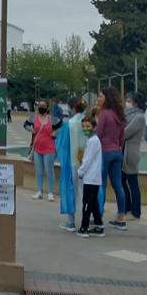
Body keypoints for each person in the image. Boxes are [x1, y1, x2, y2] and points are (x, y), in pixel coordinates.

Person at [96, 86, 127, 230]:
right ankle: (121, 216)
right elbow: (122, 137)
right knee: (118, 185)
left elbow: (98, 134)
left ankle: (98, 215)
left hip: (104, 151)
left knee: (101, 184)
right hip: (117, 152)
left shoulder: (104, 114)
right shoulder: (119, 114)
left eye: (101, 96)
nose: (98, 99)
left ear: (107, 98)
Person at [57, 97, 88, 231]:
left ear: (73, 108)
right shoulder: (88, 122)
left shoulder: (69, 124)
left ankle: (71, 221)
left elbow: (61, 145)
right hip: (87, 164)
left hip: (72, 163)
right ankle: (88, 220)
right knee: (87, 191)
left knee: (71, 190)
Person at [76, 113, 105, 238]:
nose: (85, 129)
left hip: (90, 178)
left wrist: (80, 171)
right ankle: (99, 225)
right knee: (93, 203)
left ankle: (84, 227)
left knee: (87, 203)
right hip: (94, 178)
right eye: (83, 126)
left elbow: (87, 160)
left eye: (88, 126)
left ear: (94, 127)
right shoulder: (94, 140)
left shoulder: (93, 141)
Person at [24, 100, 57, 201]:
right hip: (37, 148)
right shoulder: (34, 117)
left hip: (49, 148)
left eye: (43, 105)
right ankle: (39, 191)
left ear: (47, 107)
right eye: (40, 105)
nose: (41, 107)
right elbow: (25, 124)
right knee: (38, 171)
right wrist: (31, 129)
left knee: (49, 170)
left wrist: (56, 133)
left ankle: (50, 193)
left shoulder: (52, 119)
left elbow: (62, 126)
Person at [122, 91, 146, 220]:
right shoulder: (126, 115)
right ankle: (126, 208)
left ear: (136, 102)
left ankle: (136, 212)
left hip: (131, 153)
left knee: (132, 182)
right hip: (122, 151)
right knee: (122, 182)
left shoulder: (139, 117)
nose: (127, 103)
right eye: (126, 100)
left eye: (129, 101)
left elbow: (125, 133)